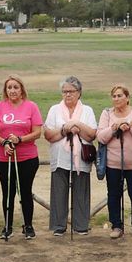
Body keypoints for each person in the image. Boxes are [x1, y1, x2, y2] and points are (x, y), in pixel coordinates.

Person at [0, 75, 44, 240]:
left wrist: (20, 140)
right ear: (5, 91)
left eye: (16, 87)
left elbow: (37, 132)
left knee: (25, 192)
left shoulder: (31, 106)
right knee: (8, 192)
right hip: (3, 158)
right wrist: (5, 142)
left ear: (22, 90)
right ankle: (7, 226)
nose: (12, 90)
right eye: (9, 88)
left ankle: (28, 225)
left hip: (27, 158)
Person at [45, 75, 99, 237]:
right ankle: (59, 225)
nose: (67, 94)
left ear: (79, 93)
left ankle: (81, 225)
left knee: (81, 189)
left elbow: (91, 135)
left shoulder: (87, 110)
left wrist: (77, 125)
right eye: (64, 91)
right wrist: (64, 129)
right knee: (58, 190)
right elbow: (48, 134)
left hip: (81, 156)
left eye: (71, 91)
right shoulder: (54, 109)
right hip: (60, 156)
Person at [99, 83, 132, 239]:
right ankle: (116, 225)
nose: (116, 98)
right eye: (114, 96)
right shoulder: (107, 113)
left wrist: (131, 126)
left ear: (127, 98)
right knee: (113, 194)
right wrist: (113, 129)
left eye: (120, 95)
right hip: (113, 164)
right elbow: (100, 136)